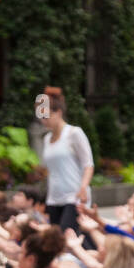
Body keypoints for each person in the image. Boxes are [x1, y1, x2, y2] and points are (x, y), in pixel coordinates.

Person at [40, 86, 94, 230]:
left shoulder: (74, 133)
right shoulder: (47, 139)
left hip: (73, 196)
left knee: (68, 235)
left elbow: (88, 164)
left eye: (46, 116)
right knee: (56, 241)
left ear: (58, 112)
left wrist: (83, 187)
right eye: (40, 117)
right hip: (53, 197)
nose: (43, 121)